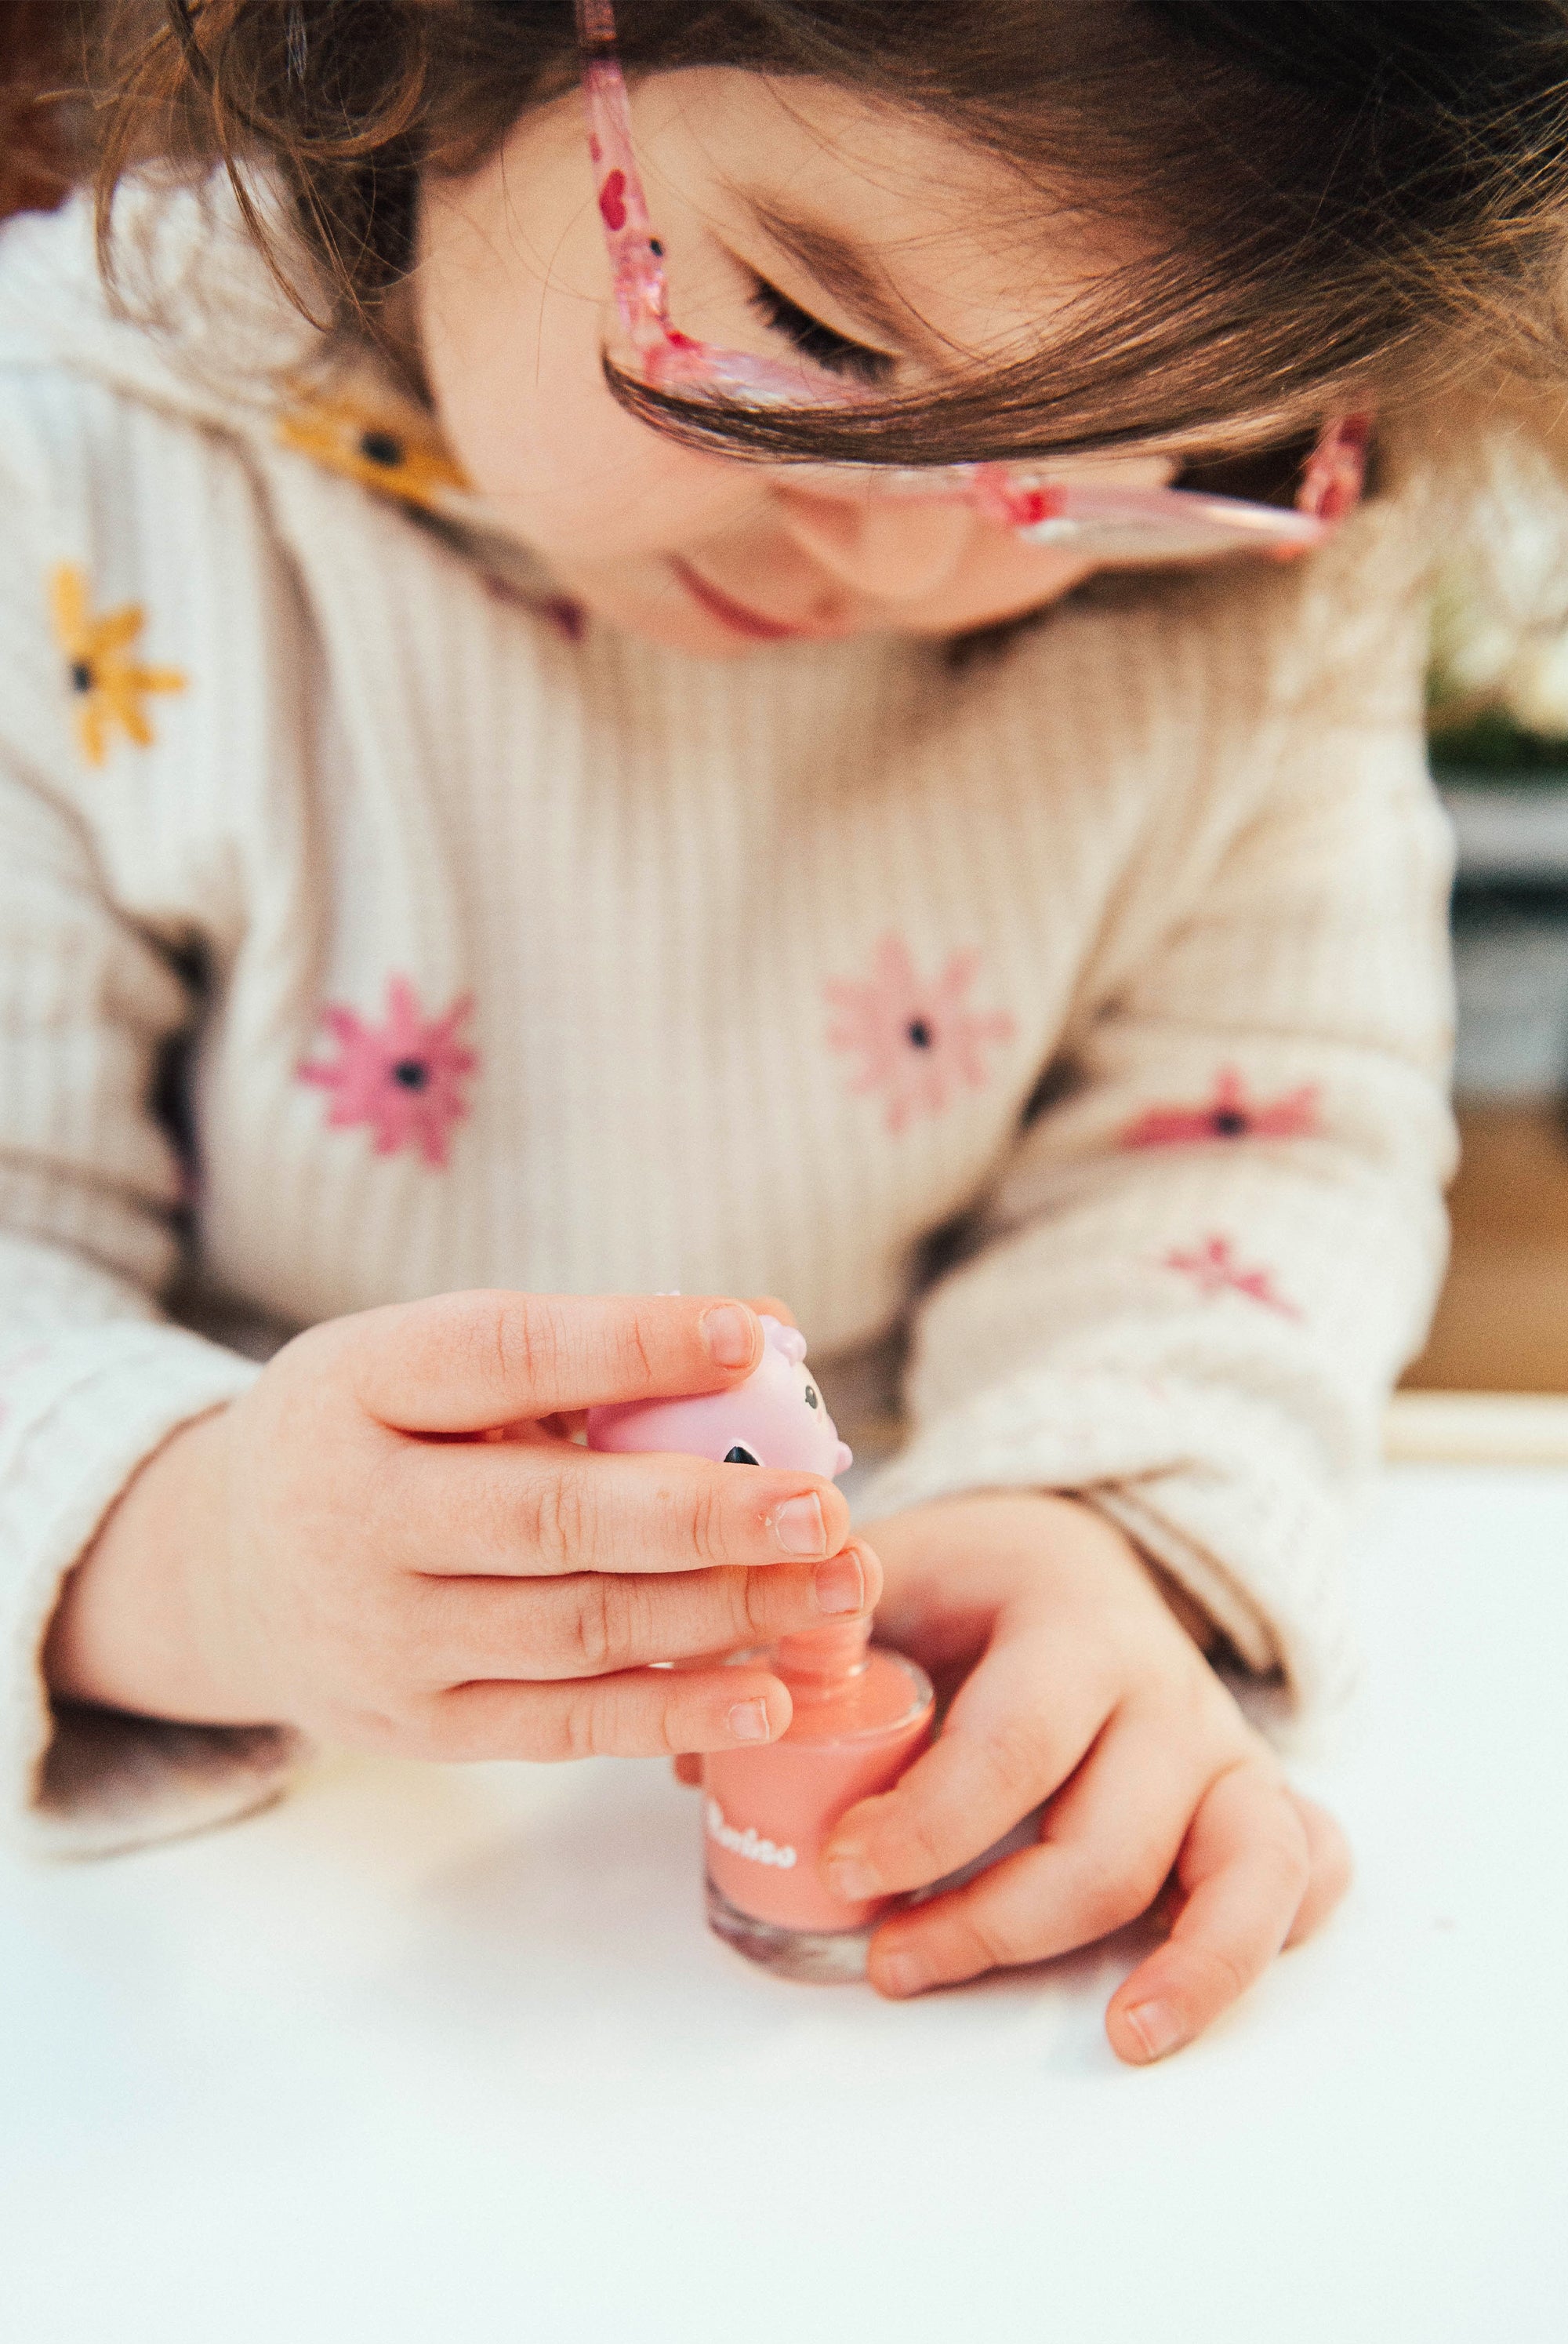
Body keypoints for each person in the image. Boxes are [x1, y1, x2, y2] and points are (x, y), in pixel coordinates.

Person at [0, 0, 1558, 2062]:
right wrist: (192, 1554)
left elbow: (1242, 1149)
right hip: (254, 1934)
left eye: (1125, 470)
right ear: (444, 48)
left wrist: (1101, 1522)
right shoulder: (76, 471)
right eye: (817, 337)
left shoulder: (1258, 594)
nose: (907, 549)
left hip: (851, 1900)